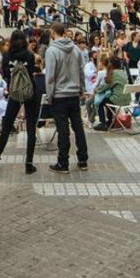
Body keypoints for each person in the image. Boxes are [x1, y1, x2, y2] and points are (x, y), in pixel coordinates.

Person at [0, 29, 43, 173]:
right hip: (30, 91)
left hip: (14, 93)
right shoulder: (29, 55)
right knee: (31, 128)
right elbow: (34, 70)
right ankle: (29, 163)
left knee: (7, 126)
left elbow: (6, 73)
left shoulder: (7, 56)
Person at [43, 21, 89, 172]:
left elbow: (50, 76)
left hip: (59, 95)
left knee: (63, 130)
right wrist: (82, 88)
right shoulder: (76, 49)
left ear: (52, 32)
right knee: (78, 127)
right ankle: (83, 160)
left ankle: (63, 162)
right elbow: (81, 70)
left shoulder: (52, 51)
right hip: (74, 93)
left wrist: (50, 96)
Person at [92, 56, 130, 131]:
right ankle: (110, 122)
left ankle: (103, 123)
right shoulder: (123, 72)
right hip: (128, 99)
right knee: (108, 101)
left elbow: (106, 86)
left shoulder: (113, 73)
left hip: (119, 99)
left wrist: (96, 90)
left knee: (101, 103)